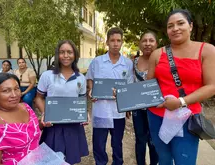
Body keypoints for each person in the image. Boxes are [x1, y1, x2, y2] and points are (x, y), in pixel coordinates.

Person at [147, 9, 215, 165]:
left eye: (180, 23)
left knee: (185, 160)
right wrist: (124, 95)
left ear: (190, 26)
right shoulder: (157, 54)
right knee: (163, 159)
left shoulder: (207, 50)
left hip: (187, 117)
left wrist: (181, 102)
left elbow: (212, 86)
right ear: (167, 31)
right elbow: (148, 87)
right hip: (157, 116)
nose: (175, 28)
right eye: (170, 26)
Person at [35, 40, 89, 164]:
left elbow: (81, 100)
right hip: (53, 125)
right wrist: (45, 113)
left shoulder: (80, 77)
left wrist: (85, 113)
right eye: (62, 52)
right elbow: (39, 98)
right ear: (57, 55)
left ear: (75, 55)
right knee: (52, 160)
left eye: (69, 52)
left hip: (73, 125)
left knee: (70, 159)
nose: (66, 56)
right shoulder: (47, 75)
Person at [86, 27, 134, 165]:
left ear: (122, 42)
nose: (115, 43)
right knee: (99, 144)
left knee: (117, 143)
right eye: (112, 40)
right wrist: (91, 90)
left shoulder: (127, 63)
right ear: (107, 42)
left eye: (118, 40)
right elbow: (90, 78)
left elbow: (129, 87)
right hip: (101, 110)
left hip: (118, 112)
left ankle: (117, 162)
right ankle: (101, 163)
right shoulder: (97, 61)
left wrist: (128, 106)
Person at [0, 73, 41, 165]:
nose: (14, 95)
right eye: (6, 91)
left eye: (16, 89)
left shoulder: (26, 107)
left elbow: (29, 131)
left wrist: (42, 124)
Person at [132, 31, 158, 165]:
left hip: (157, 109)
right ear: (140, 44)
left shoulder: (162, 61)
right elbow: (129, 84)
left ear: (156, 43)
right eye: (144, 40)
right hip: (138, 109)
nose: (148, 43)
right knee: (140, 140)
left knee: (154, 141)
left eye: (151, 40)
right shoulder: (134, 62)